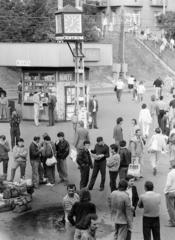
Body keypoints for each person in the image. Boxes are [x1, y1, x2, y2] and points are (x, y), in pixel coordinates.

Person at [164, 159, 175, 227]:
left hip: (171, 192)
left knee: (170, 208)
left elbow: (168, 184)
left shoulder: (170, 173)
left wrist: (165, 191)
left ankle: (172, 222)